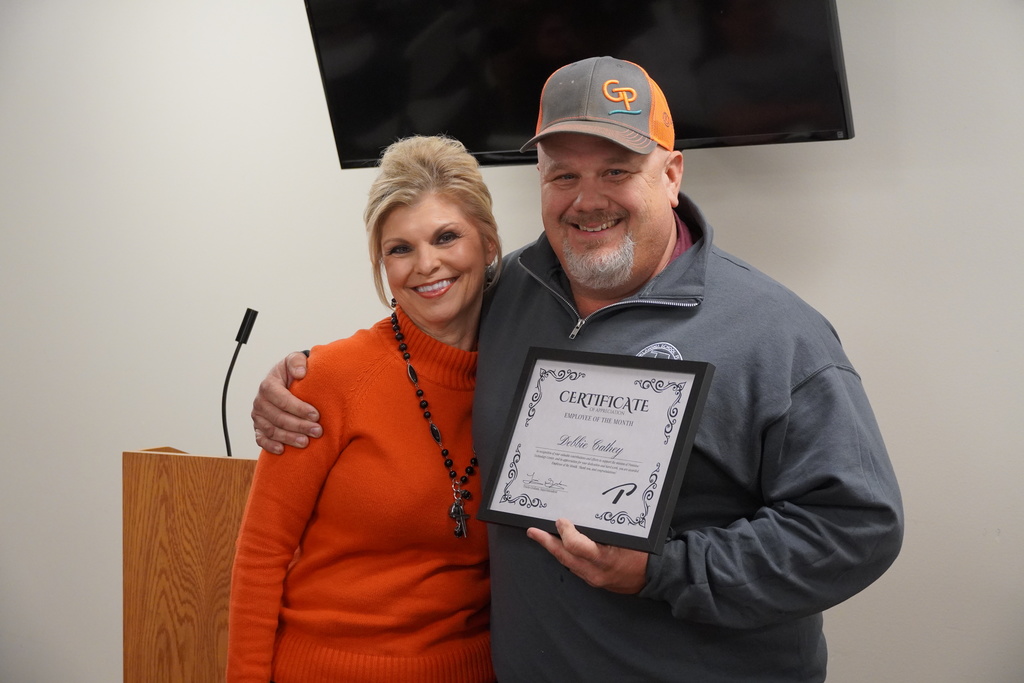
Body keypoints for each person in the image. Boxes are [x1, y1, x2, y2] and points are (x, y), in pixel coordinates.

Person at [251, 57, 903, 682]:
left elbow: (858, 527)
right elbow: (417, 348)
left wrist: (666, 568)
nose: (587, 199)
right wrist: (296, 377)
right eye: (563, 175)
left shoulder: (775, 333)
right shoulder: (509, 297)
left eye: (617, 170)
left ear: (672, 174)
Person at [228, 135, 501, 683]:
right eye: (400, 248)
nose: (427, 265)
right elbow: (260, 557)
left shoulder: (527, 374)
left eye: (447, 236)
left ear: (489, 243)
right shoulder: (328, 378)